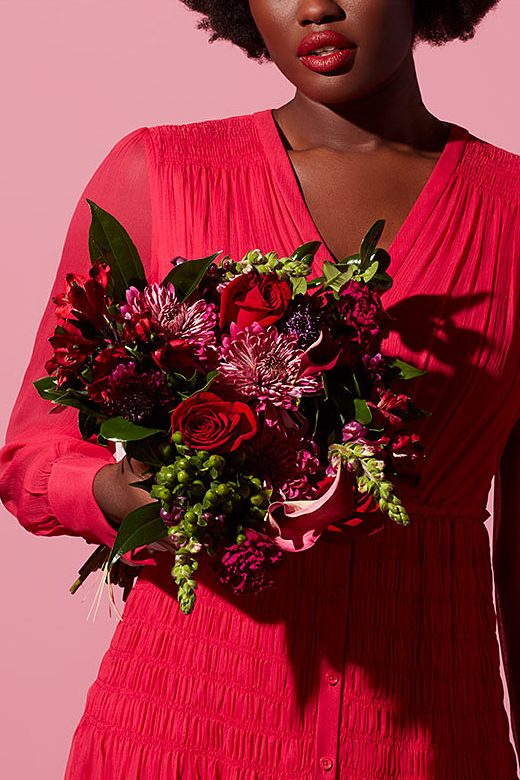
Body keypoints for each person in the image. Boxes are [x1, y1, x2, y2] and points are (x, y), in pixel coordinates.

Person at [1, 0, 519, 776]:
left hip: (429, 739)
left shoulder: (511, 209)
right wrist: (115, 493)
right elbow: (33, 451)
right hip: (179, 728)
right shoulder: (159, 174)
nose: (316, 6)